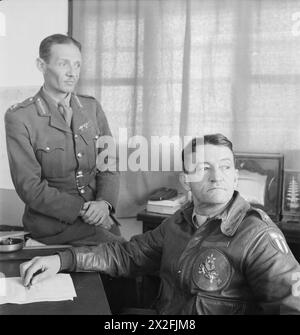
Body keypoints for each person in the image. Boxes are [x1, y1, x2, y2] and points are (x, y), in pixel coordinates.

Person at [19, 134, 300, 314]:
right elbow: (125, 255)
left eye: (226, 167)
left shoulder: (258, 236)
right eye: (203, 168)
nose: (217, 177)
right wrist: (62, 259)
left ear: (236, 177)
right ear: (184, 180)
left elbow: (290, 305)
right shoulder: (177, 223)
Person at [5, 34, 123, 246]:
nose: (72, 73)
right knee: (124, 257)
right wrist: (82, 209)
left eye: (77, 65)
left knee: (135, 259)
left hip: (99, 218)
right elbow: (29, 187)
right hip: (54, 226)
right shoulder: (20, 117)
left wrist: (104, 204)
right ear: (41, 65)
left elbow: (109, 164)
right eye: (63, 64)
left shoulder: (91, 107)